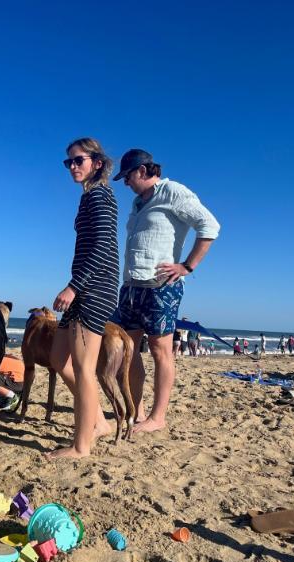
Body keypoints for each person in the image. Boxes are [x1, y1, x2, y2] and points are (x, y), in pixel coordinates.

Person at [109, 149, 220, 434]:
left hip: (160, 287)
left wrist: (187, 266)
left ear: (143, 171)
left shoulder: (172, 192)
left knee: (160, 351)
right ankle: (138, 411)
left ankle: (158, 418)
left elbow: (209, 226)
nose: (125, 183)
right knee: (128, 352)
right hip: (131, 286)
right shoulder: (136, 203)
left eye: (128, 176)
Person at [46, 137, 120, 460]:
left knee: (84, 368)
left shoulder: (100, 196)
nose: (73, 166)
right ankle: (100, 422)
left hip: (94, 289)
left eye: (79, 160)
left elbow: (103, 248)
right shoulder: (89, 198)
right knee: (58, 359)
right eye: (69, 162)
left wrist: (73, 287)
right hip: (84, 287)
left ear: (97, 163)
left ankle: (81, 447)